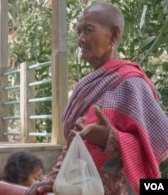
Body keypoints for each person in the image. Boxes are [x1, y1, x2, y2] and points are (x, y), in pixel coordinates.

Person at [25, 2, 168, 195]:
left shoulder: (131, 84)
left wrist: (110, 139)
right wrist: (55, 178)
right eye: (79, 32)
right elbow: (75, 143)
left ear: (114, 35)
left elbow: (159, 142)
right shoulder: (86, 87)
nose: (81, 39)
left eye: (89, 30)